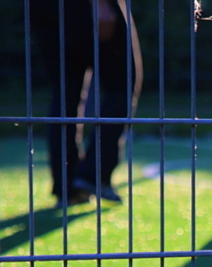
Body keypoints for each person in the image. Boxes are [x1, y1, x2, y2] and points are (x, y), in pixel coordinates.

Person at [31, 0, 142, 208]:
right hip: (86, 7)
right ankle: (93, 174)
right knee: (122, 84)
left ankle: (68, 187)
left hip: (45, 9)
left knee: (64, 93)